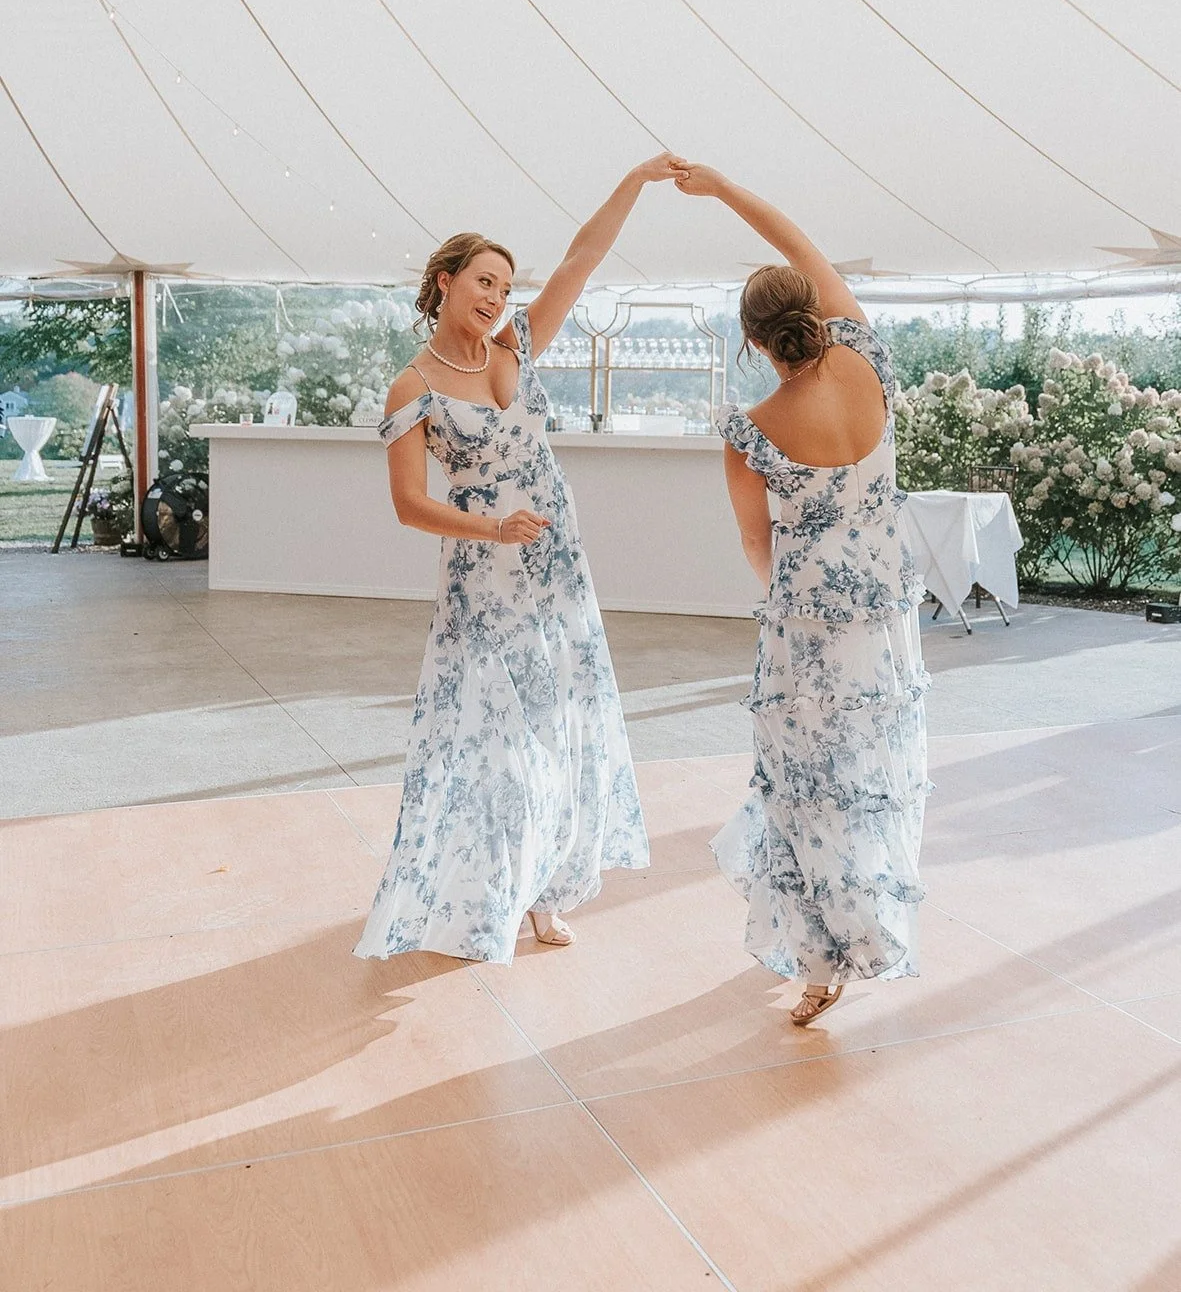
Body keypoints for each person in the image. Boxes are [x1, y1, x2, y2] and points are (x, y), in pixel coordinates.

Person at [354, 155, 683, 964]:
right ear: (443, 282)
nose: (497, 297)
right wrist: (491, 529)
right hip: (482, 579)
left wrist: (633, 182)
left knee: (557, 724)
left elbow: (582, 258)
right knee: (496, 737)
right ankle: (491, 890)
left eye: (504, 285)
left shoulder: (518, 348)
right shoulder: (412, 388)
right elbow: (406, 505)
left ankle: (544, 890)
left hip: (557, 566)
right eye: (484, 282)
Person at [674, 163, 929, 1025]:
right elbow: (795, 240)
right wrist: (721, 188)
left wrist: (789, 605)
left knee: (803, 784)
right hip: (886, 612)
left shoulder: (752, 430)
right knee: (868, 772)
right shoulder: (866, 356)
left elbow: (757, 540)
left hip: (806, 622)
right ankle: (863, 927)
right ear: (815, 309)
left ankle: (820, 960)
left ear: (751, 341)